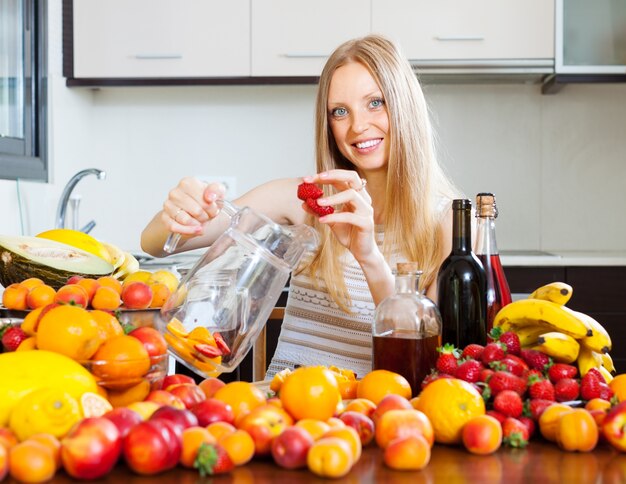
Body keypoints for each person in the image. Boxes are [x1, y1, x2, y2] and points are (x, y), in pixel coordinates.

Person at [141, 34, 460, 379]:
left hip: (374, 416)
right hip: (286, 411)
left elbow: (424, 365)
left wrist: (368, 255)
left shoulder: (449, 223)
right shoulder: (306, 202)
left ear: (404, 105)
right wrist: (180, 212)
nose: (357, 126)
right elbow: (154, 244)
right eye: (340, 112)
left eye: (375, 102)